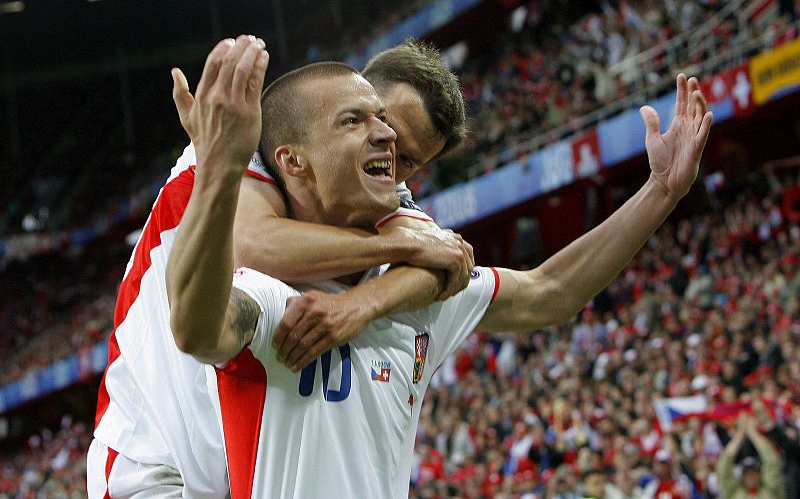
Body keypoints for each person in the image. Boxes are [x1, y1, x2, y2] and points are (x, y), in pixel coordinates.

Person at [168, 36, 712, 498]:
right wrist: (218, 168)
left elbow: (550, 291)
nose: (386, 146)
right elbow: (206, 313)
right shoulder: (270, 286)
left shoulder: (427, 276)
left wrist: (660, 193)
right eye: (360, 121)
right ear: (294, 159)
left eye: (407, 156)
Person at [88, 36, 474, 499]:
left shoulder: (377, 190)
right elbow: (253, 244)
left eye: (409, 160)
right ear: (353, 92)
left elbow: (444, 263)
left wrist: (365, 301)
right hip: (148, 459)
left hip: (231, 469)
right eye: (374, 118)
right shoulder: (243, 141)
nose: (387, 145)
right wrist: (398, 245)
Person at [716, 414, 784, 499]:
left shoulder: (770, 489)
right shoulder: (734, 493)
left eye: (754, 473)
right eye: (748, 474)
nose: (751, 477)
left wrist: (753, 432)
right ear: (742, 477)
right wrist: (740, 434)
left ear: (760, 475)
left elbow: (772, 461)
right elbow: (723, 467)